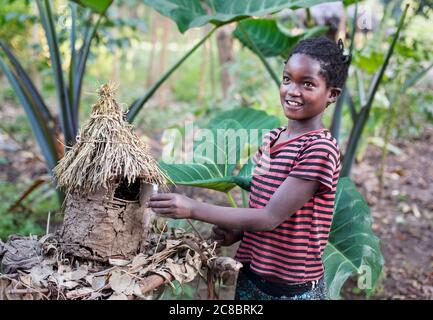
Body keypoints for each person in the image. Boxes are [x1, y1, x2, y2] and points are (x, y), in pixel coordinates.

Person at [148, 37, 351, 300]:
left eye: (308, 84)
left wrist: (192, 208)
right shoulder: (272, 139)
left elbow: (270, 217)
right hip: (251, 276)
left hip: (290, 291)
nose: (292, 90)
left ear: (332, 94)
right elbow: (262, 206)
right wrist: (239, 232)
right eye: (287, 79)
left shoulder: (319, 149)